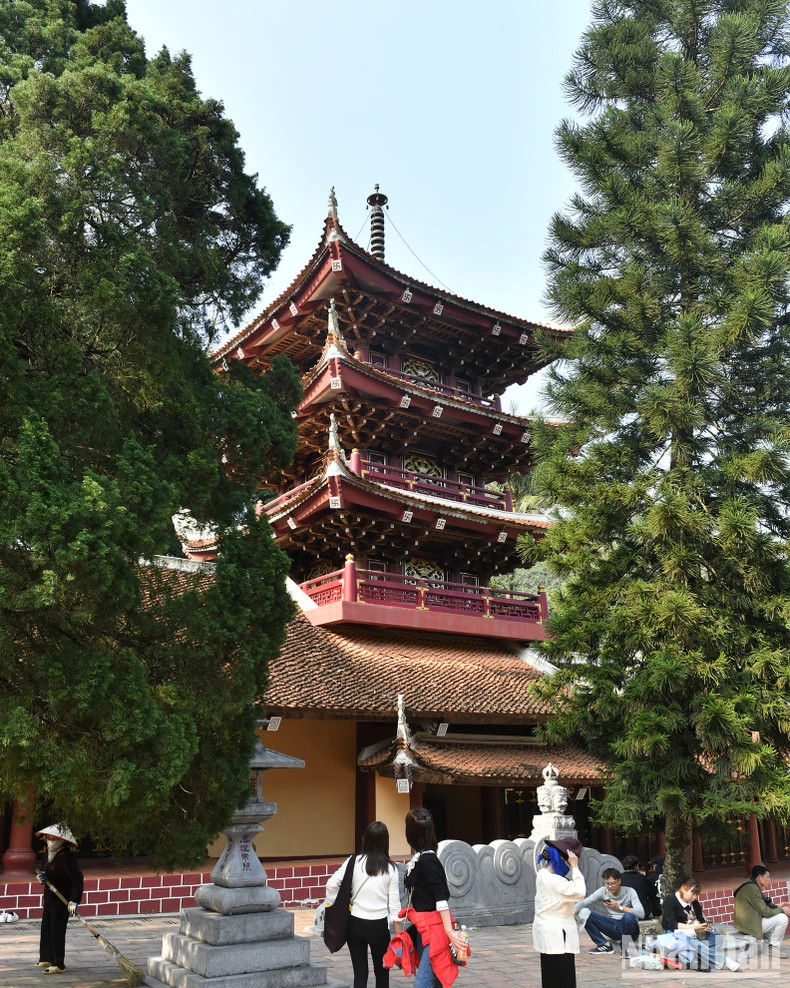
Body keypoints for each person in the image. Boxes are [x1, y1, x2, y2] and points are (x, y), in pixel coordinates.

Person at [325, 821, 403, 988]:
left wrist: (334, 905)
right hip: (379, 927)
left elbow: (331, 884)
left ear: (365, 839)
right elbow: (395, 907)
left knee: (360, 974)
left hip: (355, 924)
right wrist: (399, 937)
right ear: (385, 841)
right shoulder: (391, 868)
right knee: (382, 974)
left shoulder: (353, 861)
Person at [403, 807, 466, 988]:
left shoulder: (427, 860)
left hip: (435, 930)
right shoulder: (421, 858)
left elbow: (440, 898)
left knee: (423, 983)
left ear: (411, 834)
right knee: (435, 980)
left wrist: (449, 932)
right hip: (423, 928)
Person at [532, 837, 586, 988]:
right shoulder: (557, 882)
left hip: (545, 931)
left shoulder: (542, 874)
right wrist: (575, 868)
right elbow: (580, 892)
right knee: (564, 978)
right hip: (559, 933)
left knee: (550, 977)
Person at [35, 823, 83, 975]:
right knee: (46, 927)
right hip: (50, 897)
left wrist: (74, 900)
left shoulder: (67, 858)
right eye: (49, 838)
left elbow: (77, 880)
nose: (50, 841)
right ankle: (46, 958)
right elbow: (46, 871)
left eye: (54, 838)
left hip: (62, 899)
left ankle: (59, 963)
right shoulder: (48, 854)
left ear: (62, 841)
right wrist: (42, 877)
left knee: (57, 929)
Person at [661, 877, 740, 972]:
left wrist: (704, 927)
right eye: (692, 894)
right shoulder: (670, 901)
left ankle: (698, 959)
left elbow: (701, 919)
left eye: (697, 895)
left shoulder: (694, 903)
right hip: (676, 935)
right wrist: (693, 927)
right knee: (693, 943)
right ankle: (725, 960)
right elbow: (672, 924)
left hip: (694, 933)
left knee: (717, 938)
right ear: (683, 888)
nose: (695, 897)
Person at [574, 867, 643, 955]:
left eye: (613, 883)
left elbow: (641, 913)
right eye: (607, 884)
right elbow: (584, 902)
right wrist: (568, 914)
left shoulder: (630, 891)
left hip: (629, 928)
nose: (610, 886)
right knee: (583, 912)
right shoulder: (603, 891)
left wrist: (619, 907)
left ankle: (625, 946)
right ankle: (603, 945)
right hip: (613, 926)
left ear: (619, 881)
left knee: (628, 916)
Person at [733, 864, 790, 958]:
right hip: (748, 927)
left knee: (775, 916)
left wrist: (778, 906)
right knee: (782, 918)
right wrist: (782, 910)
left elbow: (763, 906)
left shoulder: (750, 885)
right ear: (759, 877)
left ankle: (768, 946)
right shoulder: (751, 888)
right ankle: (773, 948)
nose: (769, 880)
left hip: (748, 923)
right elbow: (766, 912)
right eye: (767, 877)